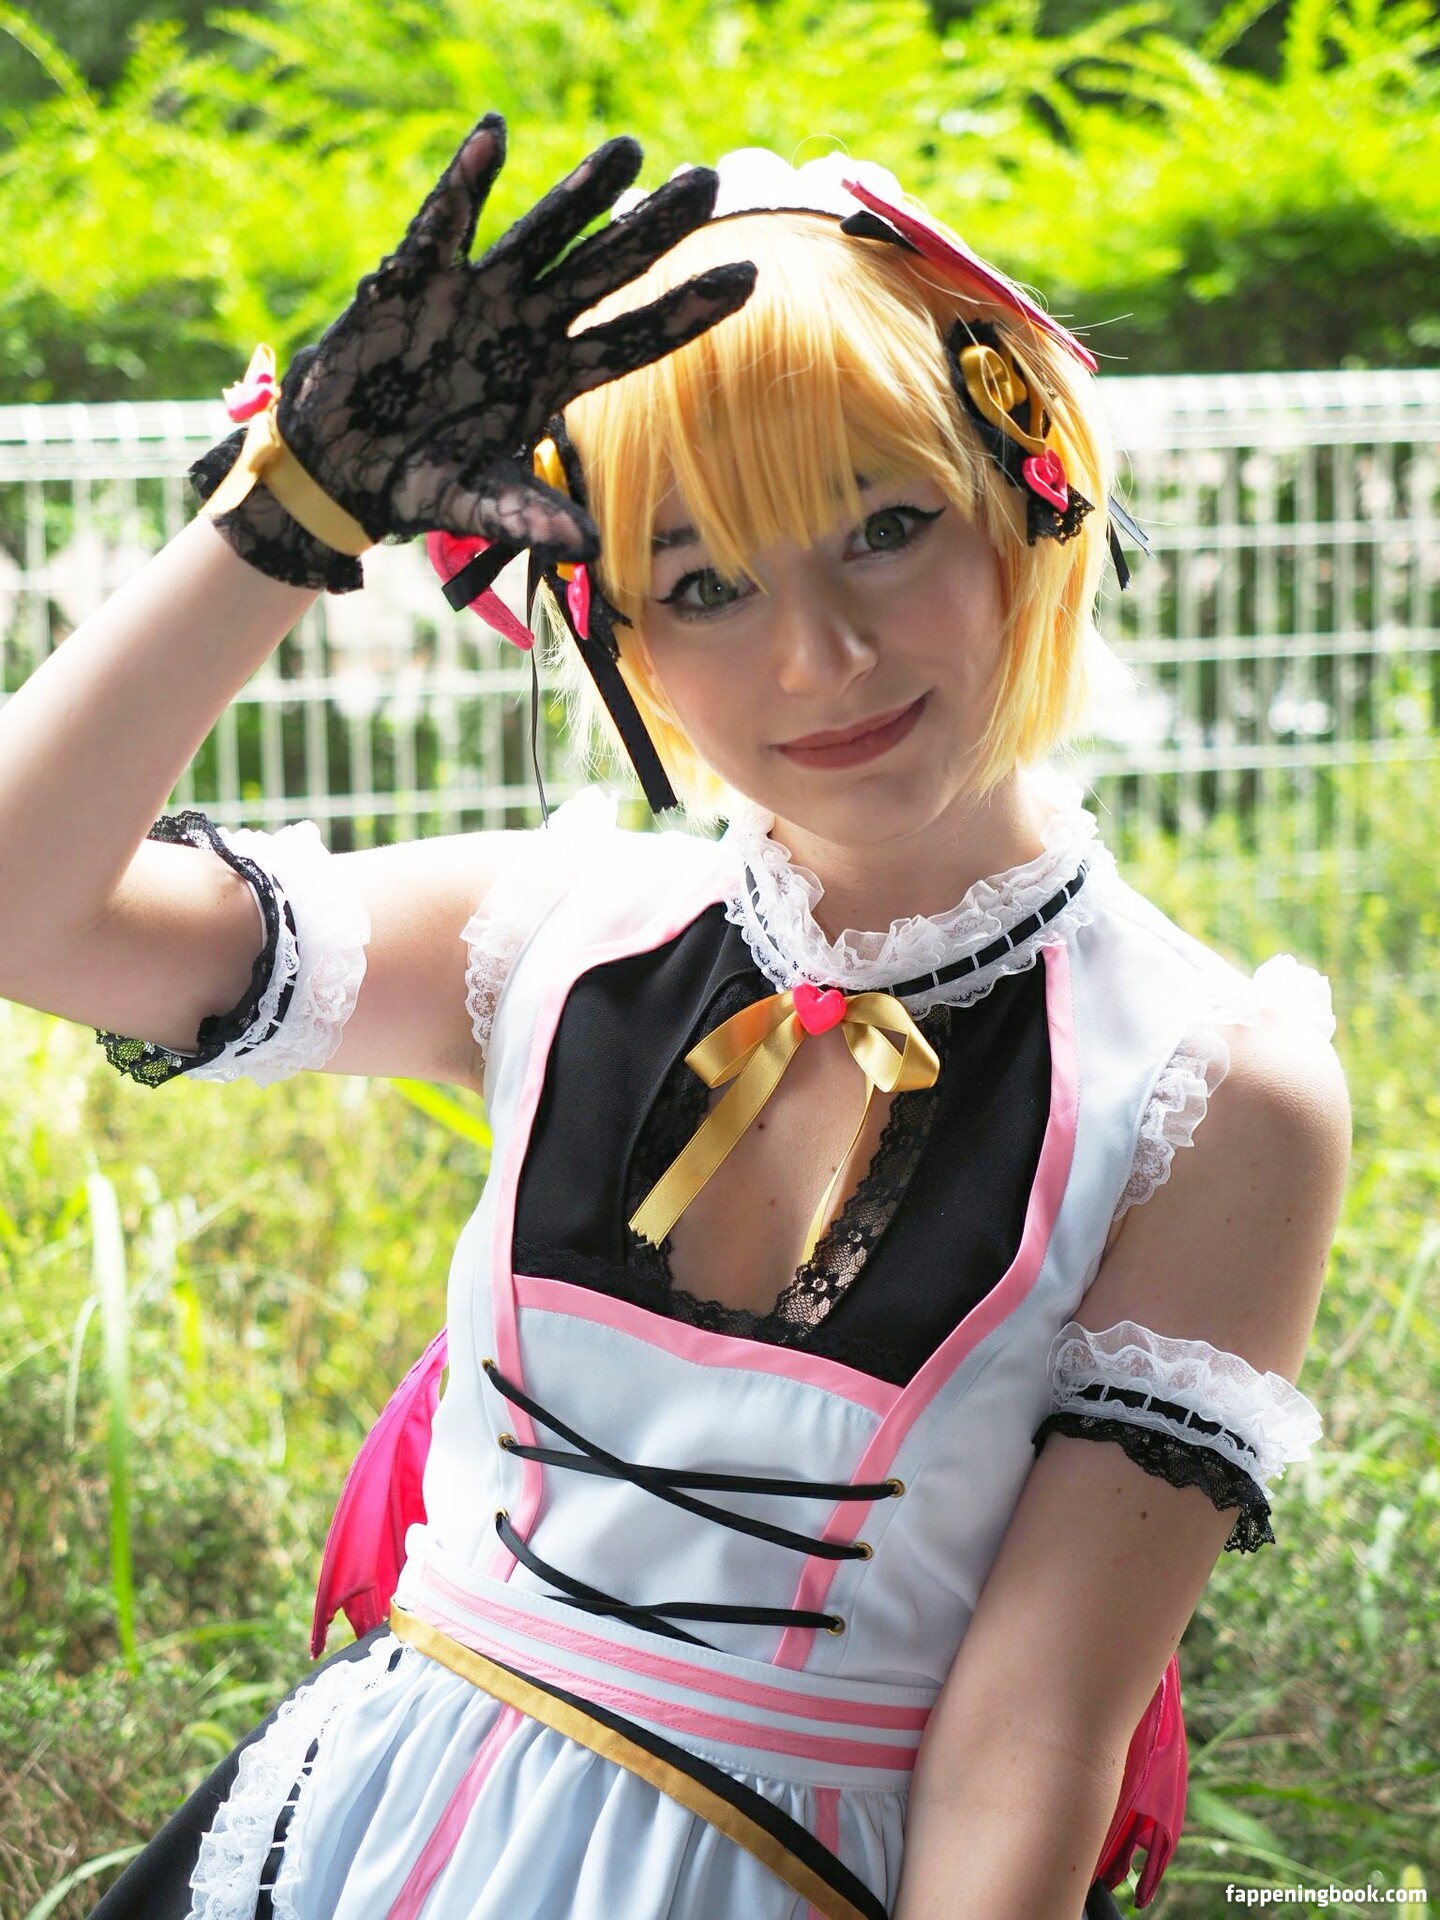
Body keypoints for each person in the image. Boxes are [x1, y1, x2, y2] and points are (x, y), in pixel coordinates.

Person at [0, 114, 1350, 1920]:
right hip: (356, 1845)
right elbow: (26, 908)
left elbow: (1031, 1736)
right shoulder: (548, 930)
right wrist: (289, 514)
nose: (819, 657)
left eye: (885, 527)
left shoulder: (1208, 1088)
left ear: (1031, 497)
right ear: (615, 628)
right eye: (704, 582)